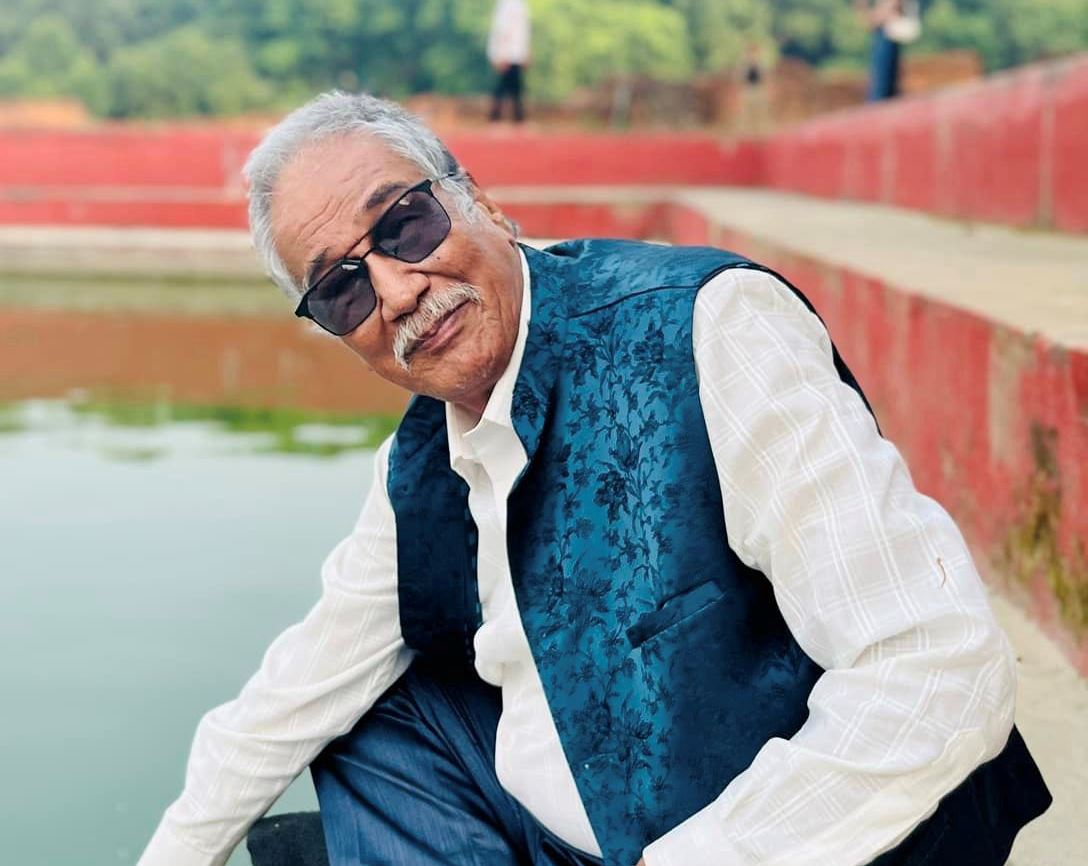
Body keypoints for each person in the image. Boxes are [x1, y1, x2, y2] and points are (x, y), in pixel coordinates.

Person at [138, 91, 1051, 866]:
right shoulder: (420, 463)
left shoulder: (708, 330)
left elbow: (939, 664)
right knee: (366, 713)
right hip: (559, 830)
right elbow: (291, 694)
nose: (399, 290)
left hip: (764, 843)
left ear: (479, 201)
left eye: (405, 226)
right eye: (344, 288)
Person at [856, 0, 918, 101]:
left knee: (882, 89)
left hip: (887, 34)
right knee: (883, 88)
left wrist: (875, 16)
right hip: (884, 33)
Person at [487, 0, 530, 122]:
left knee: (514, 86)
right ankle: (498, 116)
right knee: (506, 86)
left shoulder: (521, 4)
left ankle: (515, 117)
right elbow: (502, 31)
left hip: (517, 54)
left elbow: (523, 32)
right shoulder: (505, 4)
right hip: (507, 54)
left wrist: (526, 53)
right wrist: (501, 54)